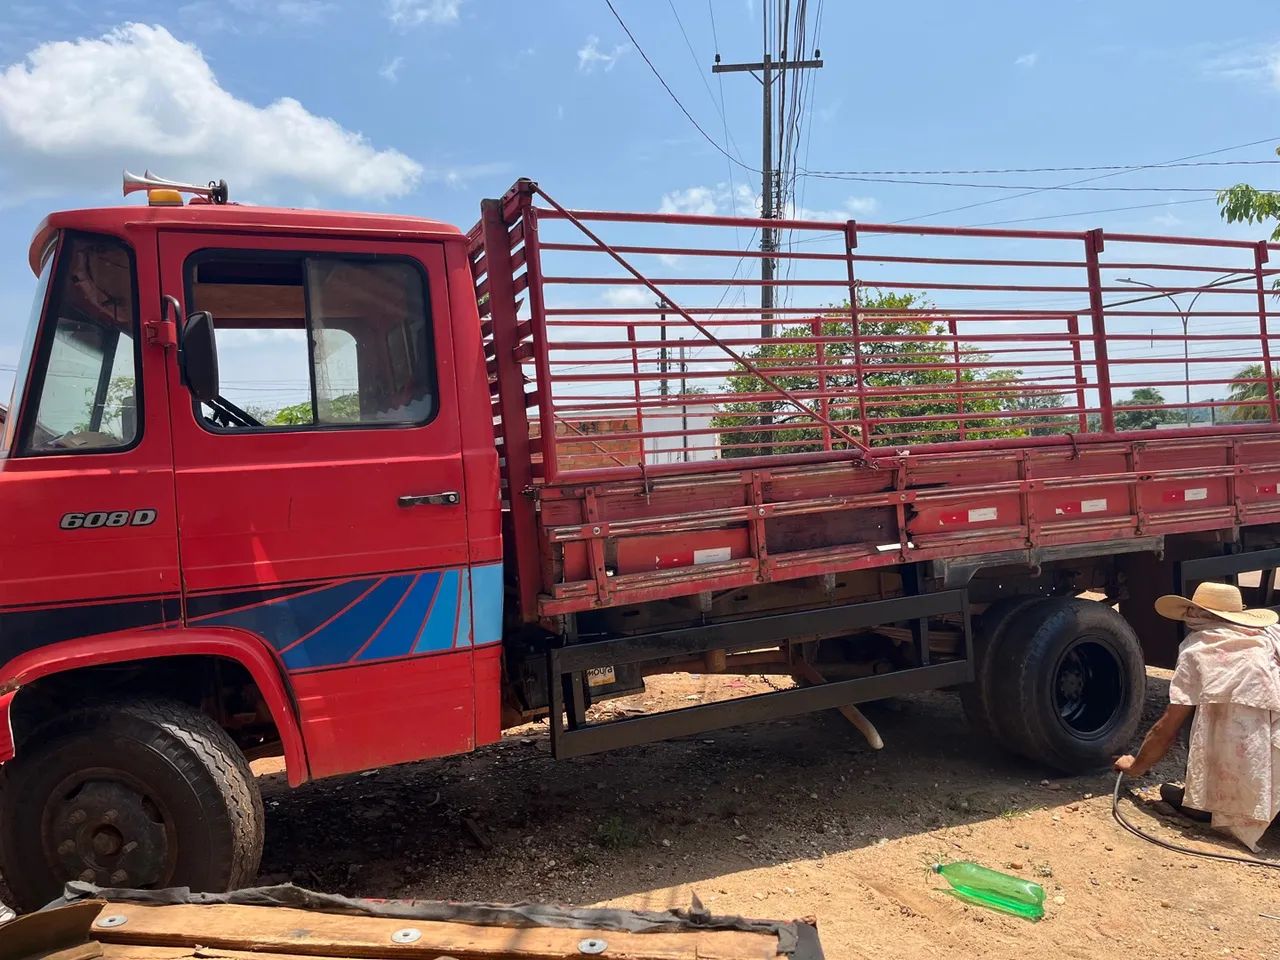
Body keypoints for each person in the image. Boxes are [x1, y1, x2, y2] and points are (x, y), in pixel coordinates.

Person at [1113, 581, 1280, 852]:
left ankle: (1215, 802)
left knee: (1202, 712)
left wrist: (1135, 766)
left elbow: (1167, 728)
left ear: (1195, 615)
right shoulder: (1270, 637)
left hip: (1255, 758)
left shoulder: (1199, 650)